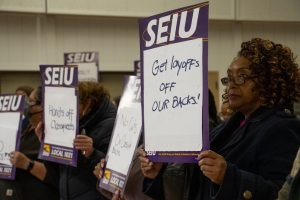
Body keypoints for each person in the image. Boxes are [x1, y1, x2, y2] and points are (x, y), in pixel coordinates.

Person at [139, 38, 300, 200]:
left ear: (269, 80)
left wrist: (228, 176)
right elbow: (193, 185)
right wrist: (157, 174)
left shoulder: (282, 128)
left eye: (241, 76)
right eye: (229, 77)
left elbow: (282, 193)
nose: (231, 85)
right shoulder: (226, 127)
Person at [37, 81, 117, 200]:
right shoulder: (73, 124)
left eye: (72, 103)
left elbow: (114, 177)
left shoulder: (110, 125)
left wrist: (91, 153)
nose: (67, 109)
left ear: (88, 103)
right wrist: (46, 144)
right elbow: (55, 174)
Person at [0, 87, 59, 200]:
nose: (26, 105)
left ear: (43, 106)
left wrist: (27, 164)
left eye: (30, 101)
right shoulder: (25, 127)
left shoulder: (53, 134)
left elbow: (57, 177)